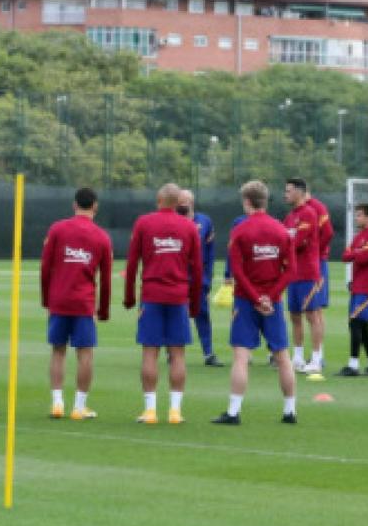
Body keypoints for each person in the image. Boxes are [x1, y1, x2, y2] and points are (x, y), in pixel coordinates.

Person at [213, 180, 297, 425]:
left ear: (246, 202)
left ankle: (233, 412)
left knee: (241, 356)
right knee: (282, 356)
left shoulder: (241, 230)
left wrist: (255, 297)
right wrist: (270, 297)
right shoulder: (282, 230)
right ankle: (290, 411)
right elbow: (290, 271)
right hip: (273, 302)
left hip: (245, 301)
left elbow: (237, 272)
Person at [124, 183, 202, 425]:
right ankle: (175, 411)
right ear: (179, 201)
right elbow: (197, 269)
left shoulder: (144, 223)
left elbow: (132, 263)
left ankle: (150, 411)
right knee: (177, 354)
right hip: (178, 296)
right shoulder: (189, 226)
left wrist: (129, 297)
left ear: (159, 199)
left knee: (150, 352)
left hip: (152, 295)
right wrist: (195, 303)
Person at [41, 187, 112, 420]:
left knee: (58, 352)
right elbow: (106, 278)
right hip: (84, 304)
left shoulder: (57, 229)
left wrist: (46, 300)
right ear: (95, 206)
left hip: (59, 301)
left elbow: (45, 268)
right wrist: (103, 310)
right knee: (85, 354)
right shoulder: (102, 236)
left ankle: (57, 403)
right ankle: (79, 407)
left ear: (74, 205)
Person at [337, 203, 368, 377]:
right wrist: (357, 251)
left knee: (355, 323)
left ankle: (353, 365)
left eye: (359, 215)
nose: (356, 218)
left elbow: (364, 258)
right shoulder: (359, 237)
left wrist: (355, 252)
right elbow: (345, 257)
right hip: (357, 287)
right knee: (362, 326)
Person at [283, 178, 324, 374]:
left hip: (307, 273)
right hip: (293, 274)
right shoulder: (290, 216)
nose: (286, 194)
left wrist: (285, 243)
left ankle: (316, 359)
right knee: (294, 316)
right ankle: (297, 357)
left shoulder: (308, 213)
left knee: (312, 315)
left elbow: (296, 242)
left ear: (300, 192)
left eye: (289, 191)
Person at [177, 189, 221, 367]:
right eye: (180, 201)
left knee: (202, 314)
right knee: (178, 314)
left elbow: (210, 253)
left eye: (186, 201)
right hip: (177, 277)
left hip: (198, 278)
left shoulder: (205, 221)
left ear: (192, 202)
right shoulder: (173, 221)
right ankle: (174, 351)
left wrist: (208, 278)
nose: (184, 204)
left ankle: (208, 353)